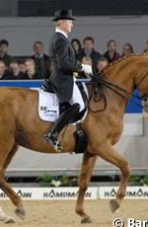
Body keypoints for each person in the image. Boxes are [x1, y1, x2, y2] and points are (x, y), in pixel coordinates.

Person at [44, 9, 90, 150]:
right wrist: (81, 67)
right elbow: (63, 63)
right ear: (62, 23)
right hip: (62, 78)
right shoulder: (60, 39)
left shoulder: (61, 38)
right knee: (78, 105)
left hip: (67, 76)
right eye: (70, 22)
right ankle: (53, 133)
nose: (72, 25)